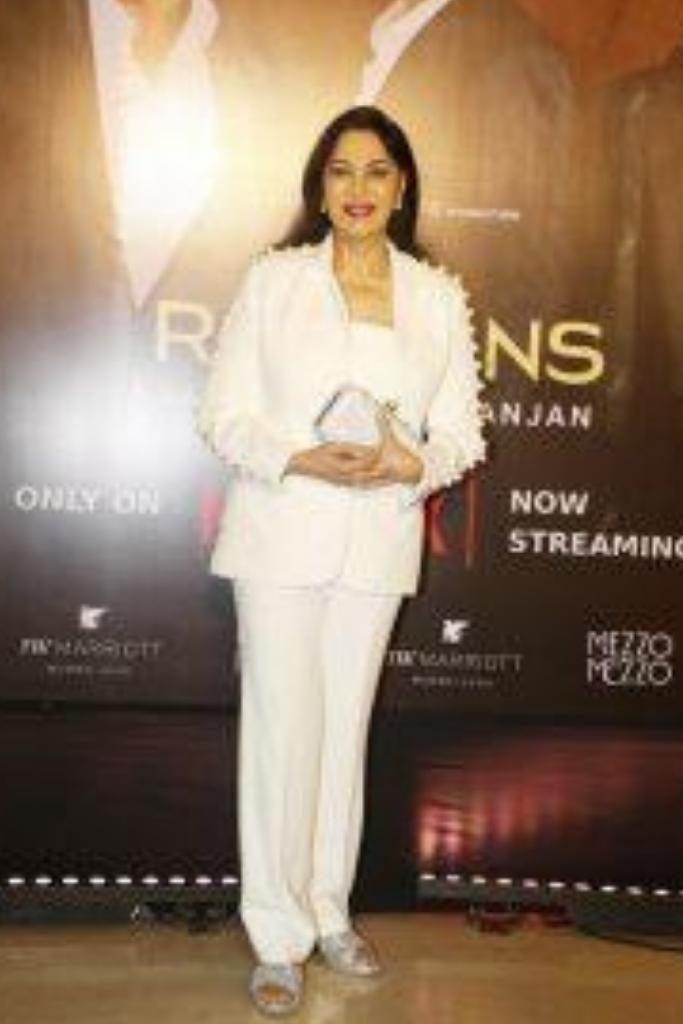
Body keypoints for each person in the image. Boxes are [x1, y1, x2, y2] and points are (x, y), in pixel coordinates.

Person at [198, 105, 485, 1015]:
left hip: (377, 543)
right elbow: (223, 416)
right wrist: (299, 455)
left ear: (402, 188)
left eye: (376, 171)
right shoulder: (274, 280)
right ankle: (276, 938)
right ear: (319, 189)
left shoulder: (437, 296)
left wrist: (412, 465)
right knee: (282, 735)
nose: (358, 188)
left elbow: (462, 435)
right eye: (340, 170)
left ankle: (329, 914)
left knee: (341, 735)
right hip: (280, 535)